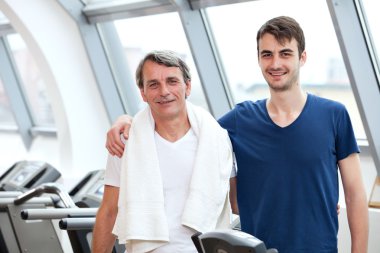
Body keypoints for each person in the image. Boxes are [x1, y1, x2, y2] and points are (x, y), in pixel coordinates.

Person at [105, 16, 369, 253]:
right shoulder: (239, 120)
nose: (275, 63)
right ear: (258, 60)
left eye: (285, 53)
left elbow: (355, 195)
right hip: (256, 248)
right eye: (267, 54)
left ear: (302, 57)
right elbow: (182, 123)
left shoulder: (334, 115)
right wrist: (128, 120)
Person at [92, 50, 237, 253]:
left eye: (172, 81)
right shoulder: (126, 141)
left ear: (187, 86)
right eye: (153, 84)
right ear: (143, 92)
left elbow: (237, 203)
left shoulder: (217, 140)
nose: (164, 91)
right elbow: (109, 211)